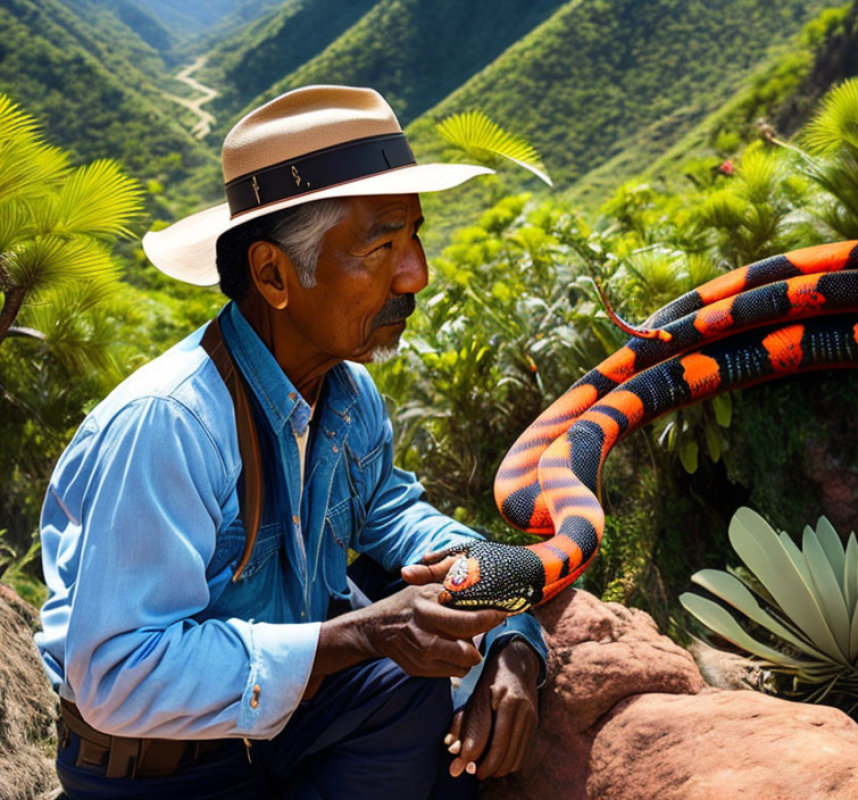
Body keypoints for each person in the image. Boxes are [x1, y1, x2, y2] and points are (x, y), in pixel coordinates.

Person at [35, 85, 547, 799]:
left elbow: (403, 523)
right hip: (163, 767)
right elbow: (117, 678)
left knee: (411, 684)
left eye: (415, 236)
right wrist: (360, 636)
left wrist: (512, 630)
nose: (417, 274)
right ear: (274, 275)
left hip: (283, 728)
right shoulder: (173, 423)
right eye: (382, 244)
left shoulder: (344, 394)